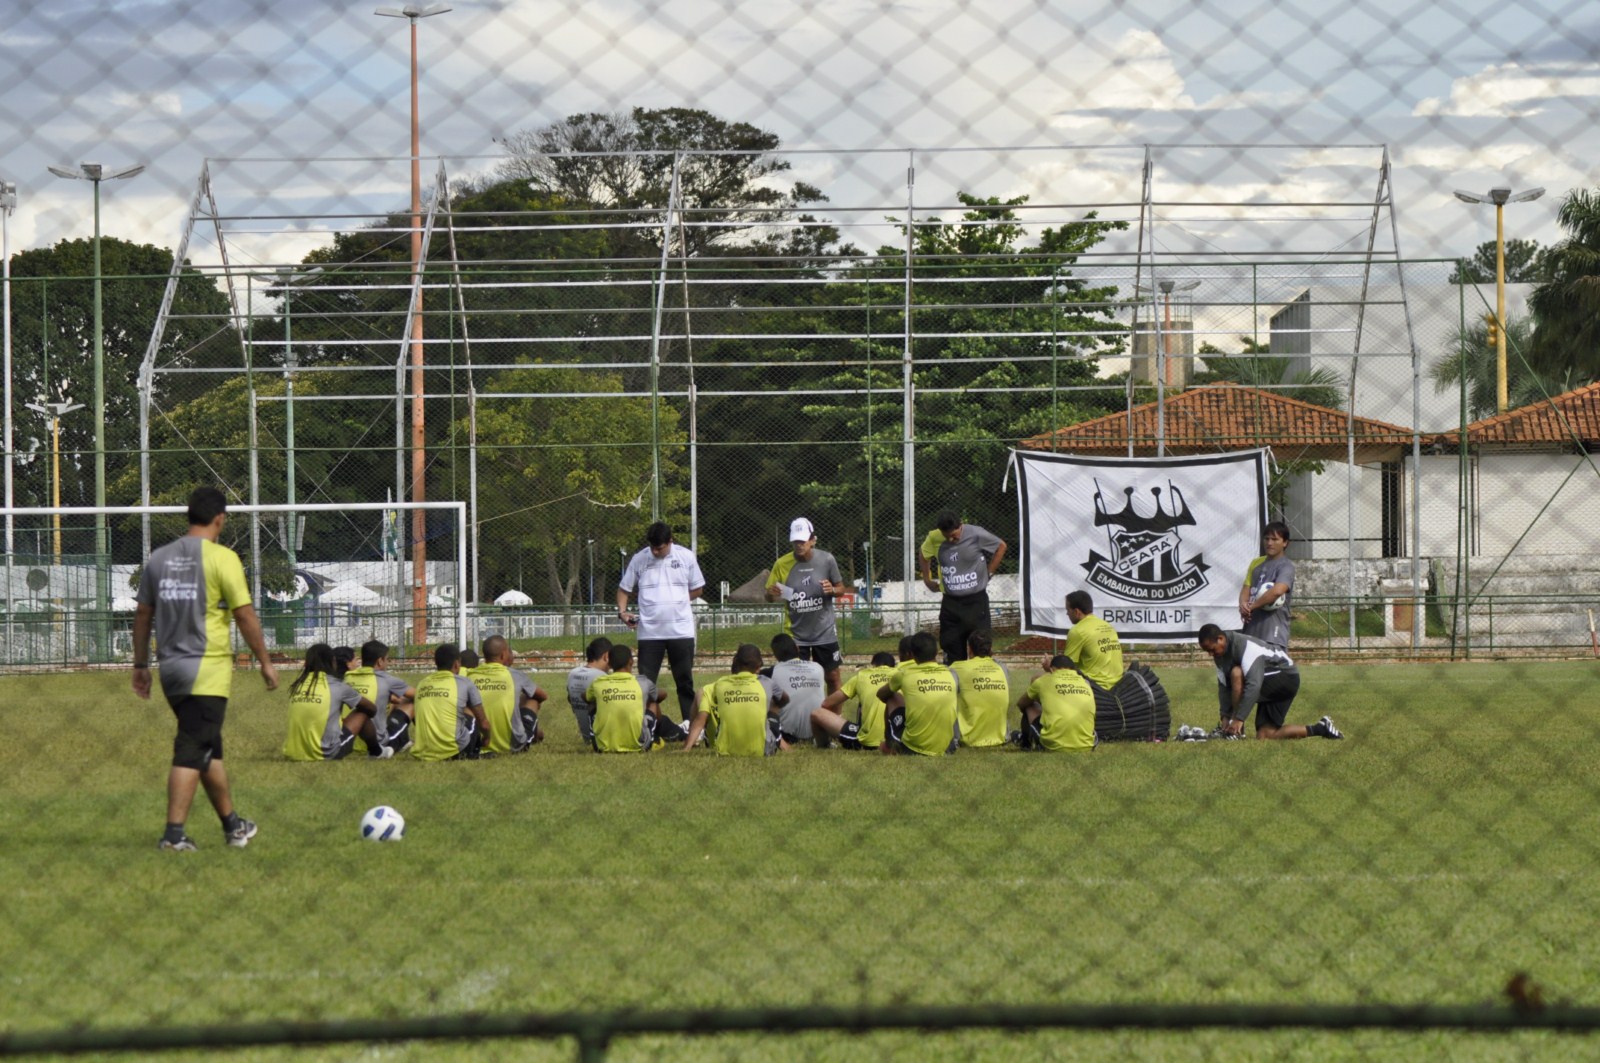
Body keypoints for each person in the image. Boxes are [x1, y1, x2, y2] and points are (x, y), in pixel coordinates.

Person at [133, 486, 279, 852]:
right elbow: (244, 614)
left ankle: (233, 826)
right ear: (220, 519)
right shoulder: (223, 559)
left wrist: (139, 664)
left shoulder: (159, 558)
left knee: (208, 748)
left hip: (170, 670)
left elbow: (143, 614)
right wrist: (264, 661)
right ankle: (174, 835)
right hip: (207, 669)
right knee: (191, 747)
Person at [617, 521, 706, 724]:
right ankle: (646, 724)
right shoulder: (639, 559)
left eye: (660, 548)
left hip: (681, 632)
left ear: (670, 542)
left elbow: (698, 588)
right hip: (649, 634)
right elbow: (624, 589)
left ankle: (690, 725)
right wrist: (622, 612)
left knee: (684, 682)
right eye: (652, 547)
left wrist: (678, 600)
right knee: (646, 684)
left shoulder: (685, 557)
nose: (655, 552)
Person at [1196, 624, 1342, 740]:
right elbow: (1223, 687)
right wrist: (1224, 718)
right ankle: (1321, 728)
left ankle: (1237, 731)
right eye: (1207, 652)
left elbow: (1253, 685)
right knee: (1265, 735)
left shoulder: (1245, 646)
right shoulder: (1219, 655)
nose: (1210, 654)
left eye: (1212, 649)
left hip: (1285, 676)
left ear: (1220, 639)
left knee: (1236, 673)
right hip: (1270, 681)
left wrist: (1238, 719)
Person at [765, 517, 845, 694]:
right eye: (795, 541)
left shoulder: (827, 560)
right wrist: (771, 594)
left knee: (832, 677)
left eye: (802, 540)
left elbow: (841, 589)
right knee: (795, 681)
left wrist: (832, 589)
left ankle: (833, 718)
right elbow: (769, 596)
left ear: (812, 540)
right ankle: (799, 718)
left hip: (824, 631)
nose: (799, 545)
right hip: (795, 634)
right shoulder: (781, 564)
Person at [918, 509, 1007, 664]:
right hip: (951, 604)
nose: (951, 539)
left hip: (976, 602)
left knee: (981, 649)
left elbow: (1001, 546)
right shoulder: (934, 537)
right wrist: (927, 579)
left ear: (961, 525)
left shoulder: (976, 534)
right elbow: (923, 554)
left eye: (954, 535)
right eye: (947, 536)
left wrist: (989, 573)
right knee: (952, 651)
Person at [681, 644, 788, 756]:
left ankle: (695, 739)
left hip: (722, 747)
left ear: (735, 662)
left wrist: (686, 749)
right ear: (758, 667)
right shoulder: (764, 683)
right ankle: (780, 744)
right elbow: (783, 700)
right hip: (761, 749)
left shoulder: (716, 686)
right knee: (767, 715)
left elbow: (700, 719)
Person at [283, 643, 381, 761]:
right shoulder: (337, 685)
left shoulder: (297, 685)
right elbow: (371, 708)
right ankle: (377, 751)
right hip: (324, 754)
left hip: (292, 754)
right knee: (363, 712)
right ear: (332, 661)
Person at [878, 631, 959, 756]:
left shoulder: (904, 674)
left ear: (913, 656)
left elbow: (881, 694)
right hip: (947, 746)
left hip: (913, 747)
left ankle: (890, 744)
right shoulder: (951, 674)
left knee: (892, 696)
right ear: (937, 652)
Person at [584, 644, 675, 753]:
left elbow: (584, 697)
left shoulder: (599, 683)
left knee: (593, 702)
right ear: (631, 662)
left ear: (609, 663)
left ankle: (600, 736)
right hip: (639, 746)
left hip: (601, 747)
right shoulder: (642, 682)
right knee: (653, 704)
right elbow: (663, 694)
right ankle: (655, 738)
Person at [411, 643, 492, 761]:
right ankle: (473, 754)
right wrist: (487, 738)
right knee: (472, 715)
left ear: (436, 663)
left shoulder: (422, 683)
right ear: (457, 664)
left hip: (424, 752)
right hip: (453, 751)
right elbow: (483, 723)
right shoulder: (465, 682)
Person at [472, 635, 548, 754]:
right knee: (532, 699)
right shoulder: (514, 675)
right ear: (503, 655)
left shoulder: (470, 675)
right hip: (514, 745)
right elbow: (543, 696)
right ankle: (533, 733)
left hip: (477, 743)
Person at [810, 650, 898, 750]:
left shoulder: (862, 676)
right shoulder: (900, 674)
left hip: (867, 741)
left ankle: (824, 745)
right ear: (893, 666)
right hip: (898, 738)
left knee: (817, 713)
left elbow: (827, 703)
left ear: (873, 665)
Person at [344, 639, 414, 756]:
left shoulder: (347, 677)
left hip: (348, 738)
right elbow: (419, 694)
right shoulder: (386, 679)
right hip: (377, 742)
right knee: (412, 702)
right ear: (380, 661)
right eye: (387, 659)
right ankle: (407, 742)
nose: (388, 662)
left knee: (394, 701)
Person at [1016, 655, 1097, 753]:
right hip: (1088, 745)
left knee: (1029, 706)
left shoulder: (1043, 681)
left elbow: (1021, 703)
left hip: (1054, 745)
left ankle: (1025, 743)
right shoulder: (1085, 683)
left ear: (1051, 670)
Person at [949, 629, 1010, 748]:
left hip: (968, 739)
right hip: (1001, 738)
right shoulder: (1002, 668)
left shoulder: (957, 667)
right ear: (991, 649)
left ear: (969, 649)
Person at [1239, 521, 1295, 650]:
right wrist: (1243, 607)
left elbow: (1277, 591)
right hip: (1251, 630)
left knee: (1271, 669)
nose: (1269, 543)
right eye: (1267, 538)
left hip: (1273, 633)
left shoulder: (1286, 566)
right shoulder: (1256, 564)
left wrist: (1251, 606)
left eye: (1275, 539)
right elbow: (1246, 589)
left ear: (1285, 543)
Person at [767, 633, 827, 746]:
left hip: (787, 736)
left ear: (775, 655)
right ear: (797, 648)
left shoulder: (771, 672)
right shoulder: (818, 668)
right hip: (819, 731)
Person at [1062, 590, 1124, 690]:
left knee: (1038, 681)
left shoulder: (1077, 631)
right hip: (1118, 686)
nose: (1067, 614)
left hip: (1095, 688)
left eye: (1068, 610)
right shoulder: (1108, 626)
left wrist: (1050, 667)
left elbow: (1065, 669)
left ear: (1077, 612)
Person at [565, 636, 612, 745]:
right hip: (603, 738)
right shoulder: (602, 677)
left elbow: (570, 699)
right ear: (606, 656)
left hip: (586, 735)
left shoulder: (572, 674)